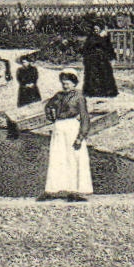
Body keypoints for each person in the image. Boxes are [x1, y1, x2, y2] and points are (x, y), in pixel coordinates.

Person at [41, 70, 93, 201]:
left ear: (74, 83)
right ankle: (52, 190)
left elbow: (85, 117)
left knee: (73, 159)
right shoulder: (58, 95)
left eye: (68, 83)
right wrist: (51, 117)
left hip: (72, 129)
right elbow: (48, 106)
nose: (65, 86)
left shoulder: (79, 97)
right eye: (63, 83)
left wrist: (80, 137)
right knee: (57, 158)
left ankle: (74, 192)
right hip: (59, 129)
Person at [81, 27, 118, 99]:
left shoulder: (105, 37)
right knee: (92, 75)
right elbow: (87, 48)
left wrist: (112, 57)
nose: (96, 30)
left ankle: (106, 92)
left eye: (97, 29)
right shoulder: (91, 37)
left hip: (103, 59)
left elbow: (109, 48)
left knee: (105, 74)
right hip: (92, 60)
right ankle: (93, 92)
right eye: (94, 29)